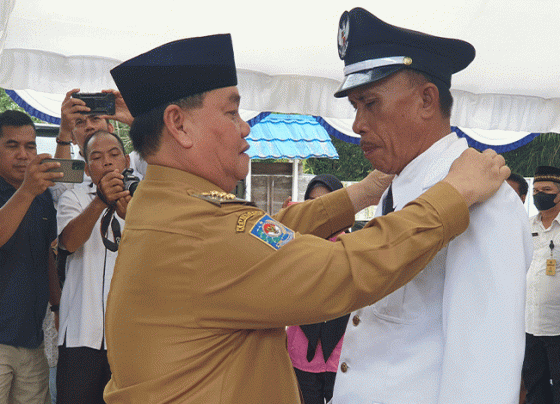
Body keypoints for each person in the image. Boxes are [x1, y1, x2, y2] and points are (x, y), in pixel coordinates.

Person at [103, 34, 511, 403]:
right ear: (178, 124)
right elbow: (339, 270)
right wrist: (452, 196)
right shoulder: (200, 229)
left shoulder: (164, 204)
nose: (245, 128)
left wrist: (359, 194)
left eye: (370, 103)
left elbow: (267, 241)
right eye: (231, 113)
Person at [331, 8, 532, 404]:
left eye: (370, 102)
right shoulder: (401, 187)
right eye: (356, 106)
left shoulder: (481, 203)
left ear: (426, 100)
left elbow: (482, 379)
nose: (357, 123)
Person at [55, 130, 130, 404]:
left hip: (128, 338)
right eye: (97, 157)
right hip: (80, 334)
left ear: (127, 161)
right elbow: (70, 242)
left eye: (114, 155)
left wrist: (131, 216)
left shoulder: (143, 199)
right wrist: (100, 200)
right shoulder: (73, 198)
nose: (107, 162)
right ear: (87, 168)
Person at [0, 110, 62, 404]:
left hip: (31, 337)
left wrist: (58, 305)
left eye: (31, 146)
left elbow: (46, 252)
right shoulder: (31, 190)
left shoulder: (41, 194)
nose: (24, 154)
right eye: (13, 146)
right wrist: (26, 191)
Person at [286, 174, 350, 404]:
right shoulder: (296, 245)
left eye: (329, 201)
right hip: (301, 351)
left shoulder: (355, 250)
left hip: (341, 355)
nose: (320, 209)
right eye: (312, 202)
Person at [523, 165, 560, 404]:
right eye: (535, 190)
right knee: (534, 385)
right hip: (530, 324)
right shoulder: (526, 225)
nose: (539, 195)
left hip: (557, 325)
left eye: (546, 189)